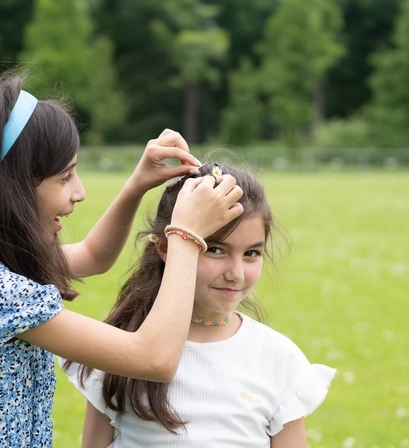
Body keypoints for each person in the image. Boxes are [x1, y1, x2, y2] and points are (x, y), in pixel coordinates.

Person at [0, 72, 244, 447]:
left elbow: (94, 256)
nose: (79, 192)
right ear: (7, 187)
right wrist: (186, 235)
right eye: (64, 177)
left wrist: (138, 184)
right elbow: (154, 358)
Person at [62, 162, 336, 447]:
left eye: (252, 253)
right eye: (215, 250)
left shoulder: (278, 359)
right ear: (167, 247)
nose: (236, 273)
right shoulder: (122, 348)